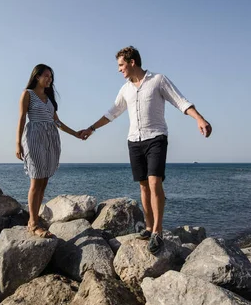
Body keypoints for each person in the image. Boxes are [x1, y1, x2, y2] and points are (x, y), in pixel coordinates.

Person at [79, 46, 212, 254]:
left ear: (132, 62)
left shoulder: (158, 80)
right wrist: (91, 128)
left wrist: (199, 118)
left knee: (154, 181)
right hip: (134, 140)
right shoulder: (125, 89)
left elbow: (180, 101)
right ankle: (149, 227)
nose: (119, 70)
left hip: (156, 137)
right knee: (143, 186)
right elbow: (113, 112)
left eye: (121, 65)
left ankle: (158, 231)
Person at [16, 64, 81, 238]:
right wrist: (17, 143)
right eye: (46, 76)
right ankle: (33, 223)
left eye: (51, 77)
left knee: (43, 182)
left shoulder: (49, 98)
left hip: (50, 140)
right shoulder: (27, 94)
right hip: (34, 138)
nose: (49, 80)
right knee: (35, 181)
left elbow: (57, 122)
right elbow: (22, 118)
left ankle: (35, 218)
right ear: (37, 76)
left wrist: (75, 133)